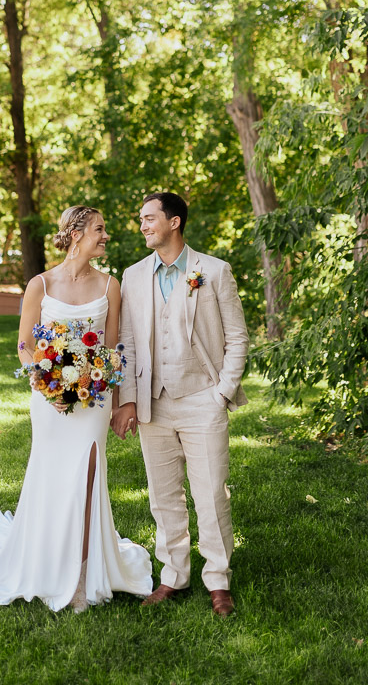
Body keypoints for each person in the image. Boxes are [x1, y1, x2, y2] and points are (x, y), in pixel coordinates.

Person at [0, 205, 152, 612]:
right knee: (51, 476)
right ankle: (46, 566)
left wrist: (112, 397)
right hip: (49, 399)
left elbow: (113, 348)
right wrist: (47, 382)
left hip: (93, 398)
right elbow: (25, 345)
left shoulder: (110, 285)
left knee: (89, 475)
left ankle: (81, 575)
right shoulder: (39, 285)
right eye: (100, 229)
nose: (106, 236)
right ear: (76, 233)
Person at [111, 192, 249, 617]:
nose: (143, 225)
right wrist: (128, 400)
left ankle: (218, 579)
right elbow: (129, 342)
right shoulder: (133, 276)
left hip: (201, 399)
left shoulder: (214, 270)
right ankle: (173, 574)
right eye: (140, 219)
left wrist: (221, 392)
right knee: (163, 496)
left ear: (174, 222)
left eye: (150, 218)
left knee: (211, 494)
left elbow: (238, 337)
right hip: (154, 403)